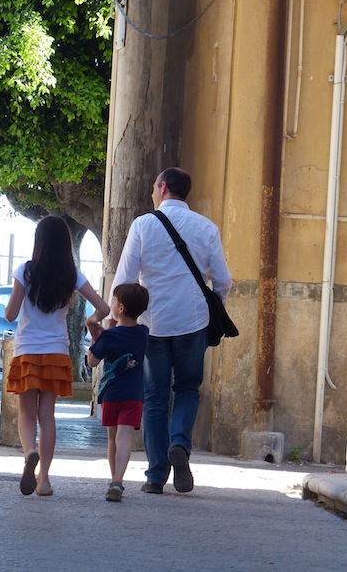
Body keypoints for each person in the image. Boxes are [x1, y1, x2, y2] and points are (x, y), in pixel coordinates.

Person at [107, 167, 232, 494]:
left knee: (154, 397)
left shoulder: (143, 225)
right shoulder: (207, 228)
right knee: (188, 389)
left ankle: (156, 475)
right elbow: (224, 280)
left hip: (152, 323)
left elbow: (125, 277)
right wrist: (212, 301)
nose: (152, 192)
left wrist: (114, 317)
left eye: (153, 186)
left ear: (162, 188)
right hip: (193, 322)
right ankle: (180, 444)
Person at [4, 215, 110, 497]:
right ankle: (45, 480)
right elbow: (104, 307)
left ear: (39, 242)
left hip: (27, 350)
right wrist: (92, 322)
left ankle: (29, 453)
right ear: (65, 244)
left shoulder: (25, 271)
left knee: (26, 413)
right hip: (56, 352)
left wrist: (16, 300)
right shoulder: (71, 275)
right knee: (46, 415)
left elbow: (11, 314)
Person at [86, 283, 150, 502]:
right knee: (125, 438)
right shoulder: (143, 333)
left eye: (113, 301)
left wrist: (96, 338)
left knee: (112, 439)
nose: (111, 304)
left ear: (120, 308)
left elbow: (92, 361)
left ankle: (115, 479)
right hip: (134, 396)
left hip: (112, 394)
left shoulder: (110, 337)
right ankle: (118, 481)